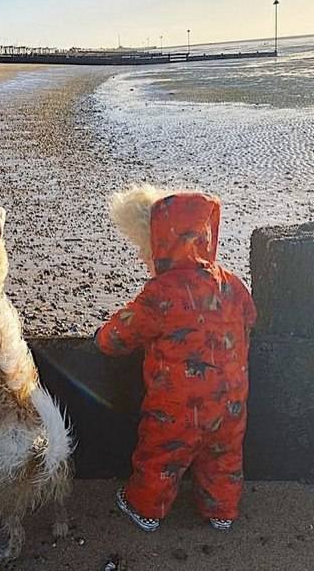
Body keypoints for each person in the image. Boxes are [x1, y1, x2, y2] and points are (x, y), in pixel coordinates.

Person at [95, 186, 256, 531]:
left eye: (145, 249)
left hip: (177, 407)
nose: (143, 257)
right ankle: (221, 512)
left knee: (160, 457)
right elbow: (250, 317)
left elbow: (117, 338)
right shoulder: (232, 283)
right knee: (224, 458)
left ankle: (145, 509)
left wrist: (102, 336)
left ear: (161, 244)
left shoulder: (160, 294)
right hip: (231, 402)